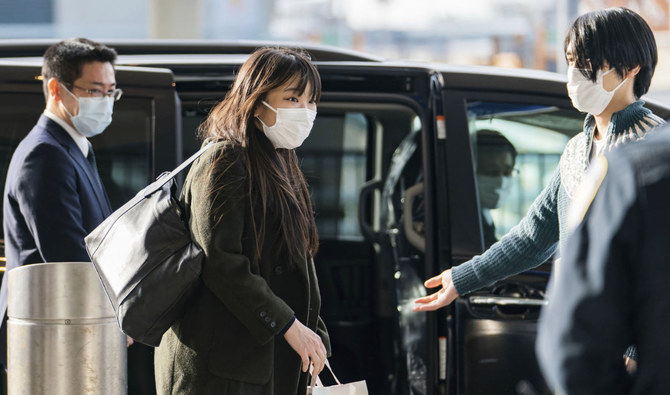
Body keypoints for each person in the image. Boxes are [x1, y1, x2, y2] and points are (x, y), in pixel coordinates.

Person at [413, 7, 665, 314]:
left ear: (630, 68)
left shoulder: (656, 149)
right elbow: (532, 238)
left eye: (587, 63)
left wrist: (636, 351)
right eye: (572, 61)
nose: (574, 74)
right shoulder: (576, 150)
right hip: (581, 335)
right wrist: (462, 278)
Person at [154, 47, 330, 394]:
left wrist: (313, 334)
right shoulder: (225, 157)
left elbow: (294, 264)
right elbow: (220, 261)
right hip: (219, 368)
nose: (306, 112)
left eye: (311, 101)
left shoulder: (280, 161)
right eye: (292, 98)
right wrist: (290, 325)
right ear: (256, 99)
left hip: (258, 362)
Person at [0, 37, 120, 370]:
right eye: (94, 91)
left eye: (111, 92)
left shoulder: (74, 147)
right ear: (56, 89)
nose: (105, 101)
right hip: (49, 330)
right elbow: (67, 253)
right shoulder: (44, 154)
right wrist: (117, 311)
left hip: (70, 324)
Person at [536, 124, 670, 394]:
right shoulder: (582, 153)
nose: (575, 80)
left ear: (631, 77)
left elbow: (574, 355)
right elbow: (533, 233)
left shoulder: (637, 169)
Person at [475, 129, 518, 249]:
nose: (501, 181)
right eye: (491, 172)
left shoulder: (483, 215)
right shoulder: (464, 221)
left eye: (507, 172)